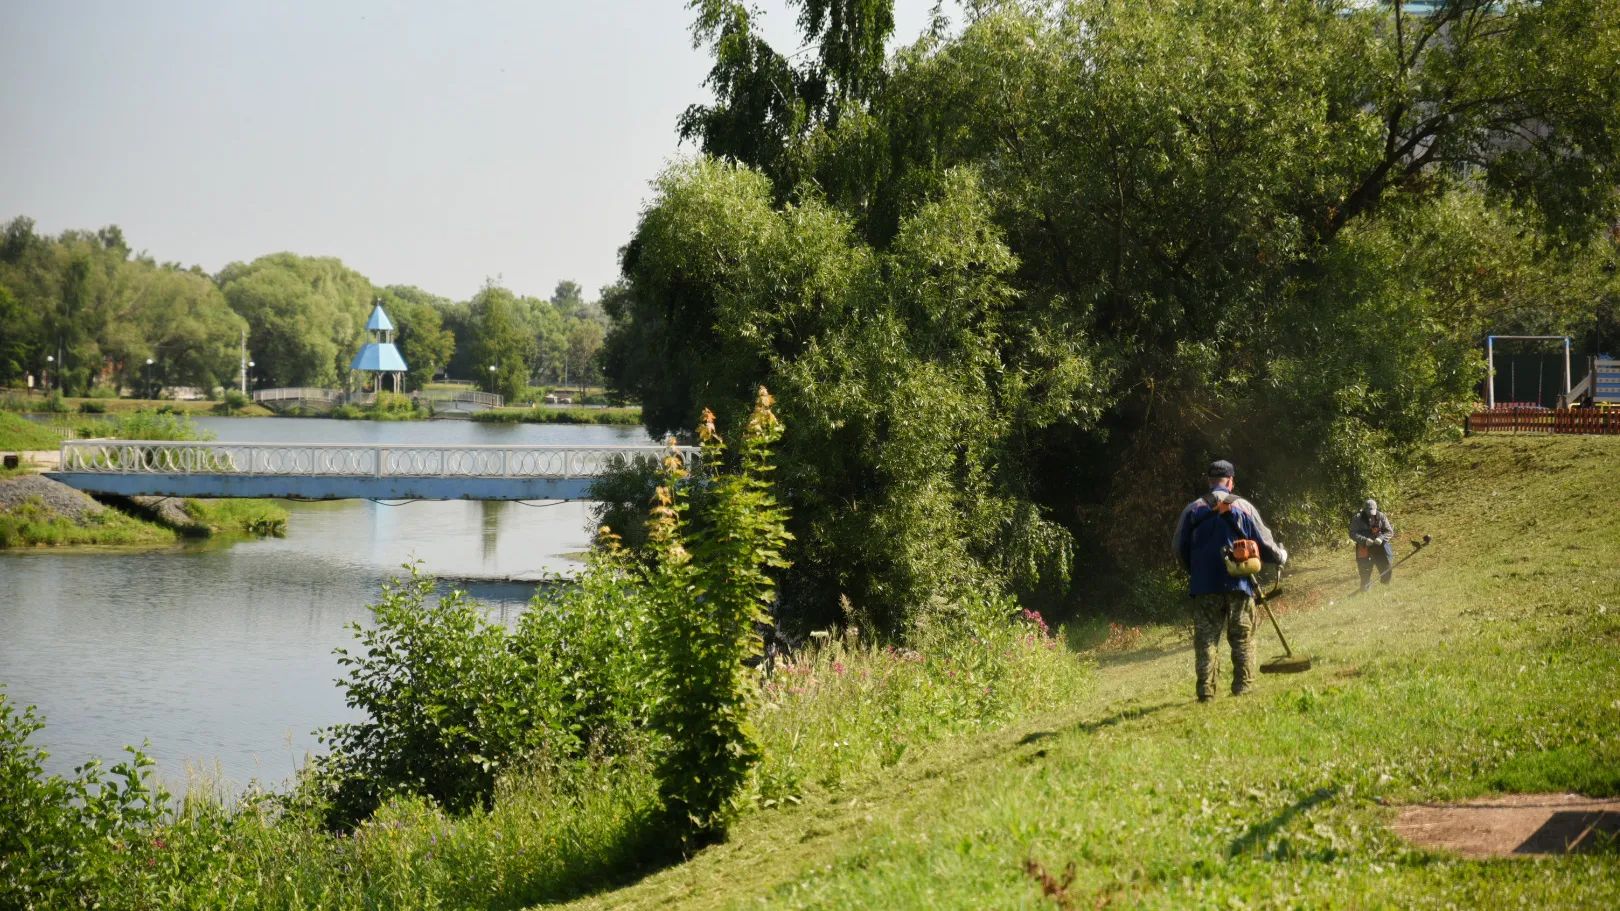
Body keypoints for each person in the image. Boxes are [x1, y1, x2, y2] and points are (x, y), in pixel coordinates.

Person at [1170, 460, 1287, 702]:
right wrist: (1280, 556)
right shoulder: (1243, 507)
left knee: (1206, 641)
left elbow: (1178, 548)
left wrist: (1195, 570)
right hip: (1240, 585)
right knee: (1242, 637)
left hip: (1204, 587)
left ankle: (1206, 691)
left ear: (1209, 481)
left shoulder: (1192, 510)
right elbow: (1265, 543)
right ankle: (1242, 687)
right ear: (1231, 481)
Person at [1349, 499, 1395, 593]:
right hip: (1364, 547)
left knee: (1387, 569)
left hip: (1380, 547)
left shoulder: (1381, 516)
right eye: (1368, 512)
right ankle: (1365, 592)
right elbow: (1352, 533)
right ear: (1364, 510)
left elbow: (1389, 531)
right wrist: (1364, 540)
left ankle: (1385, 589)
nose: (1371, 515)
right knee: (1365, 571)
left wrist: (1381, 538)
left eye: (1372, 512)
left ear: (1376, 509)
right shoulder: (1358, 518)